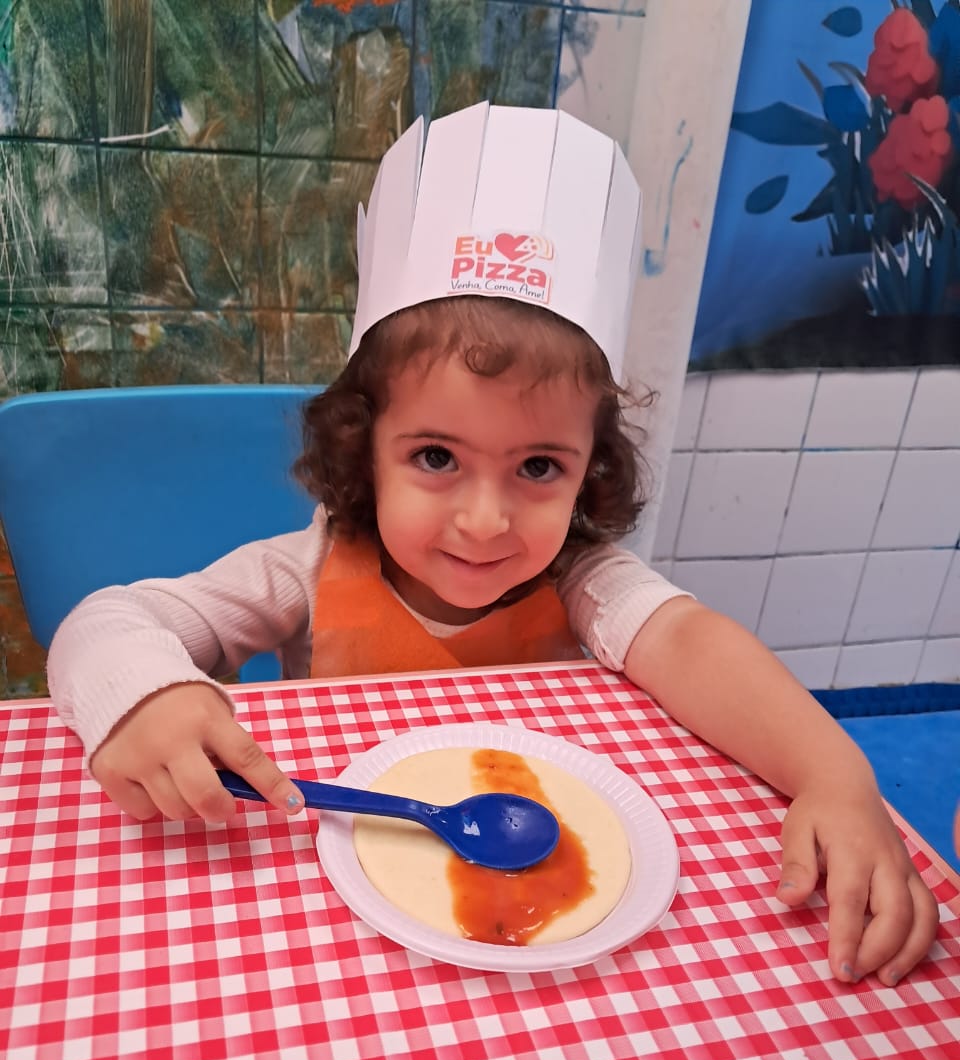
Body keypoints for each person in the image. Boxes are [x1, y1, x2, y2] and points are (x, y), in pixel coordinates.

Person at [47, 102, 938, 988]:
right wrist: (142, 694)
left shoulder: (581, 578)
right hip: (339, 920)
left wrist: (834, 775)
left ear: (589, 470)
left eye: (538, 467)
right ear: (364, 447)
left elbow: (687, 640)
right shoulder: (303, 570)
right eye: (437, 458)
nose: (485, 521)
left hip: (540, 929)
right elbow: (110, 621)